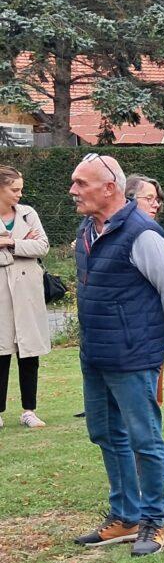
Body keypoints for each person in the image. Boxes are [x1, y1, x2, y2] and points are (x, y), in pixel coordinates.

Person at [69, 153, 164, 557]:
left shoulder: (143, 234)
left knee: (144, 438)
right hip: (95, 353)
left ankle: (154, 520)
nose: (73, 191)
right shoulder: (88, 229)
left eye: (81, 183)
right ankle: (125, 516)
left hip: (133, 354)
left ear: (109, 188)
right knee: (104, 432)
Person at [124, 174, 164, 479]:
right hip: (133, 340)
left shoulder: (148, 234)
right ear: (127, 199)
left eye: (157, 199)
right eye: (148, 198)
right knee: (136, 408)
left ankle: (152, 466)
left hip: (151, 335)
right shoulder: (137, 236)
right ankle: (141, 473)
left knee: (152, 401)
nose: (155, 204)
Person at [0, 165, 51, 429]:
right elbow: (31, 247)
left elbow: (42, 246)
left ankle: (29, 410)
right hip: (2, 293)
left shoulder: (28, 213)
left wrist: (9, 243)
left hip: (28, 290)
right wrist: (23, 246)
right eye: (14, 189)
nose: (20, 194)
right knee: (1, 351)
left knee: (28, 351)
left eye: (21, 189)